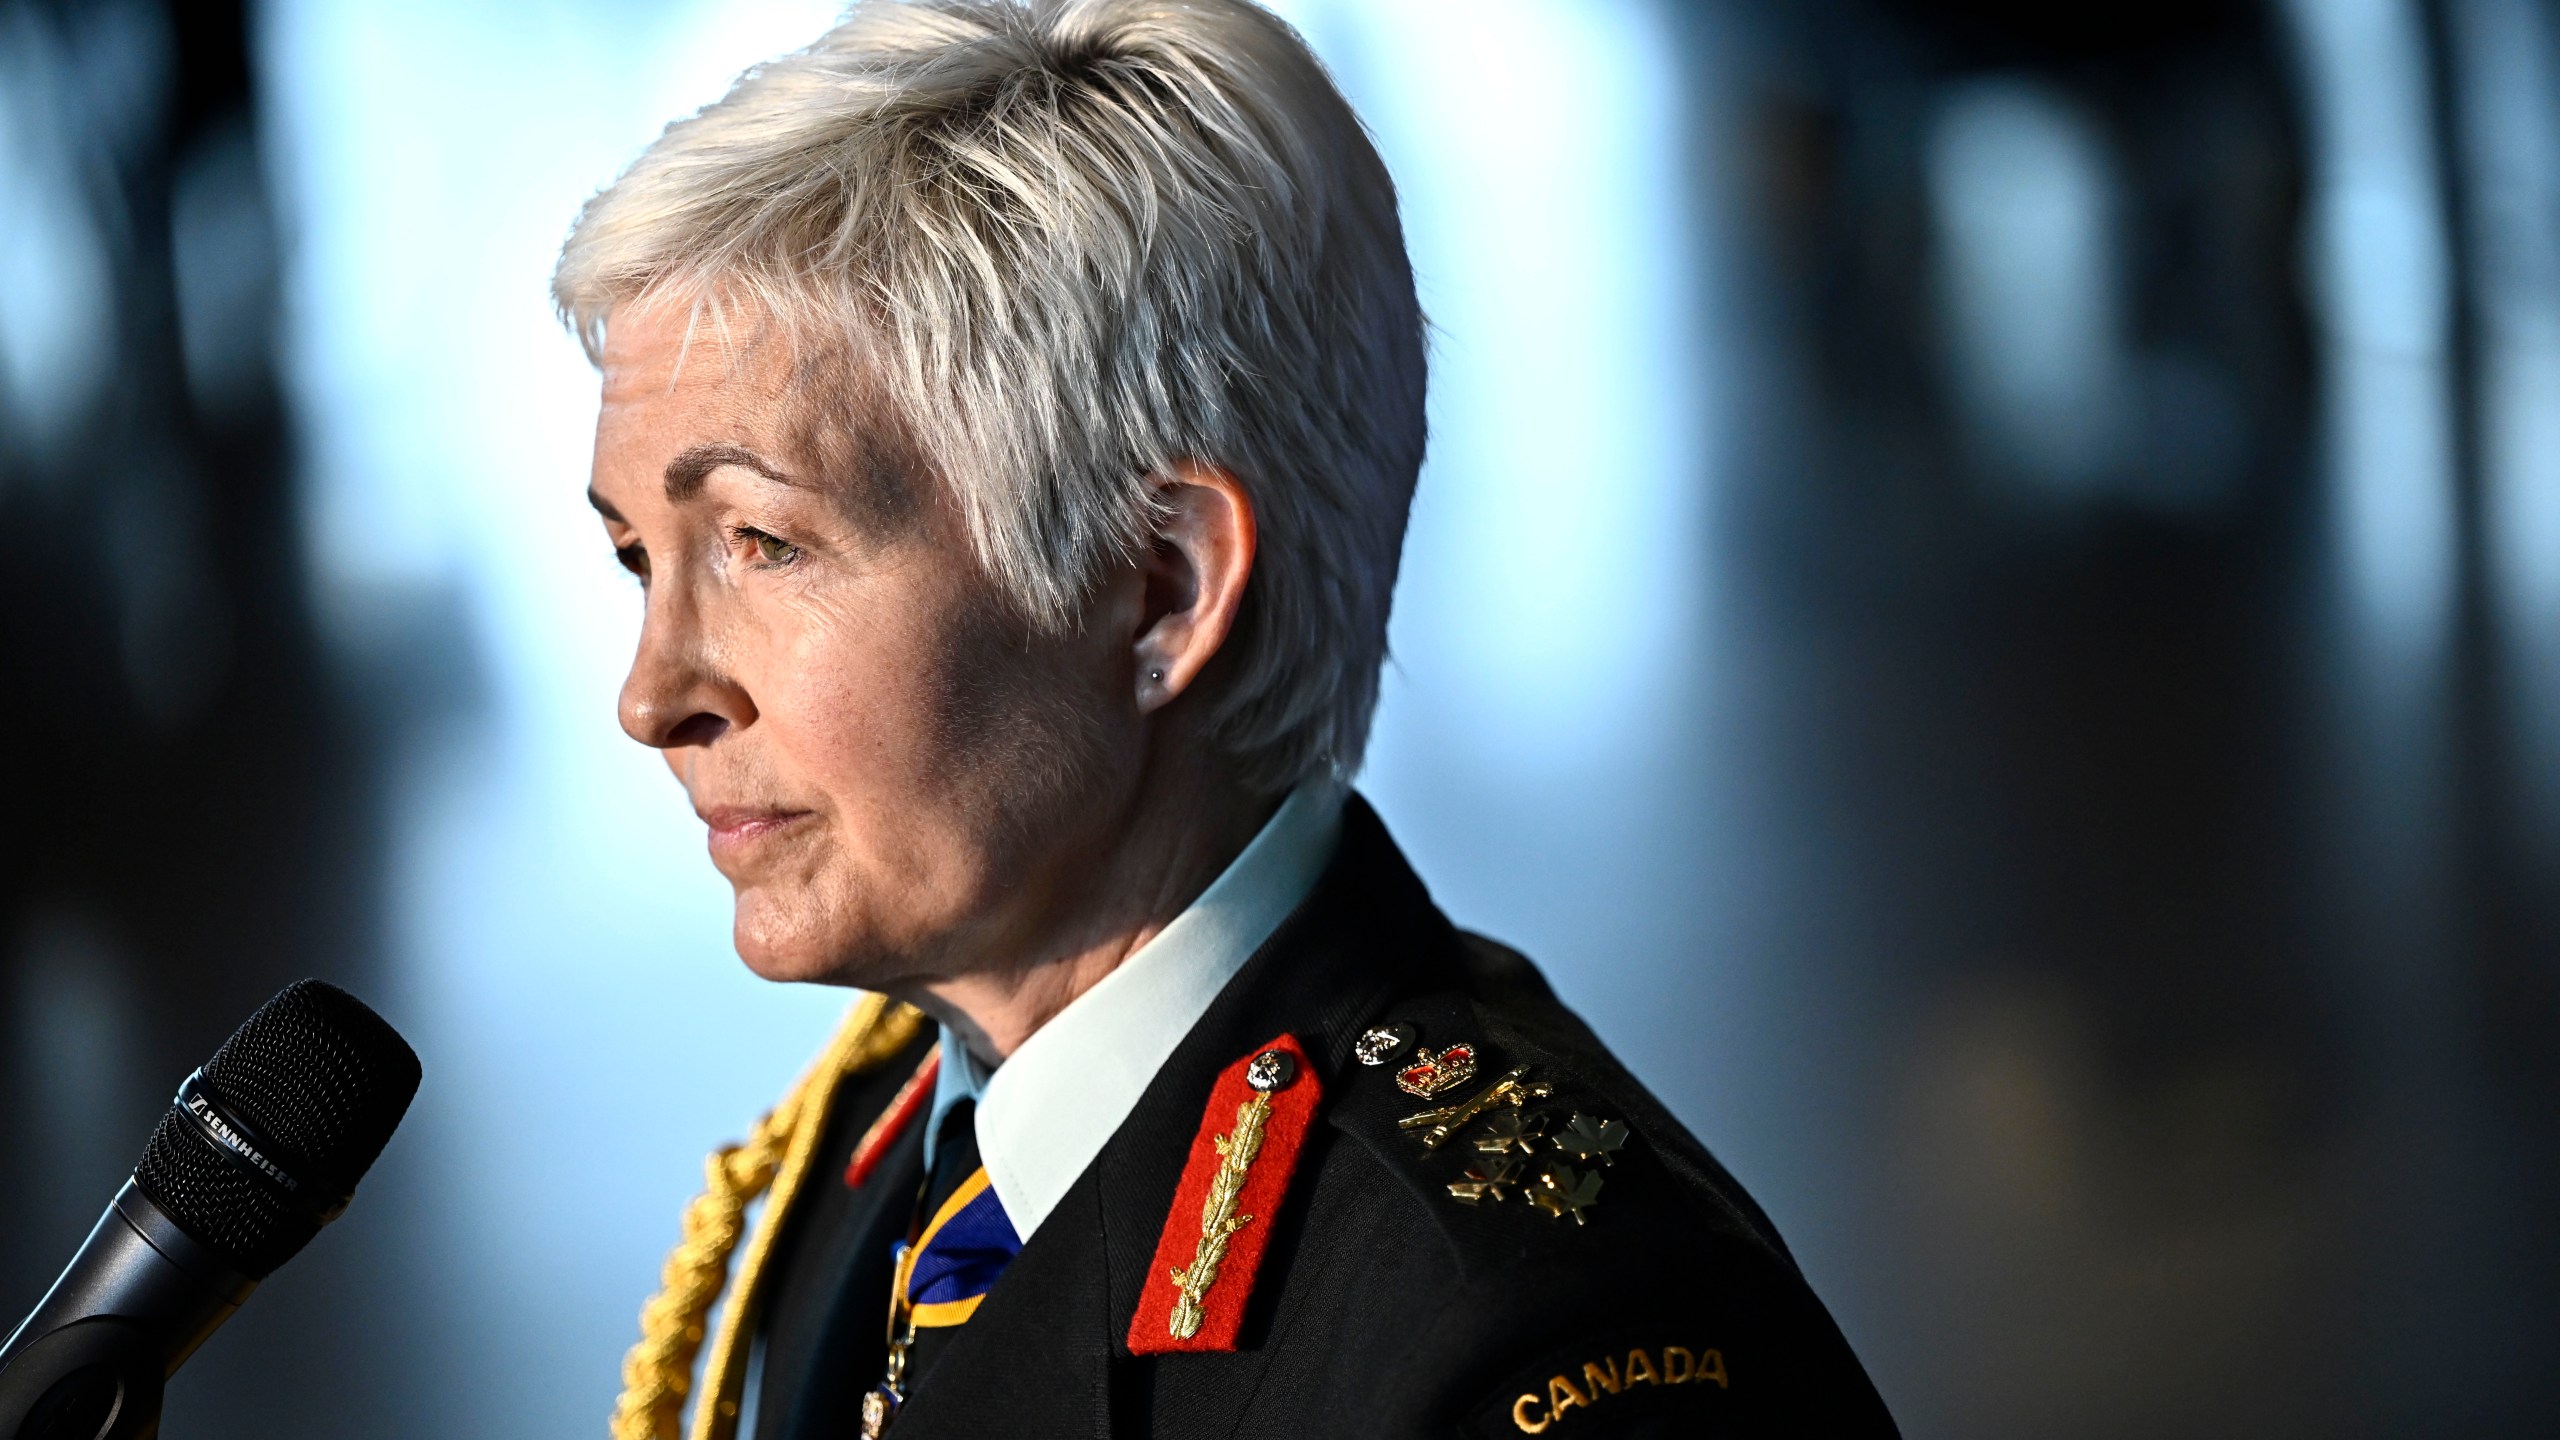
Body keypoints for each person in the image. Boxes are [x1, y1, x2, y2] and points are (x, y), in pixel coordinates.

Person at [554, 1, 1897, 1436]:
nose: (653, 697)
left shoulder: (1527, 1345)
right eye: (640, 557)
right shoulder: (895, 1141)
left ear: (1160, 592)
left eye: (763, 541)